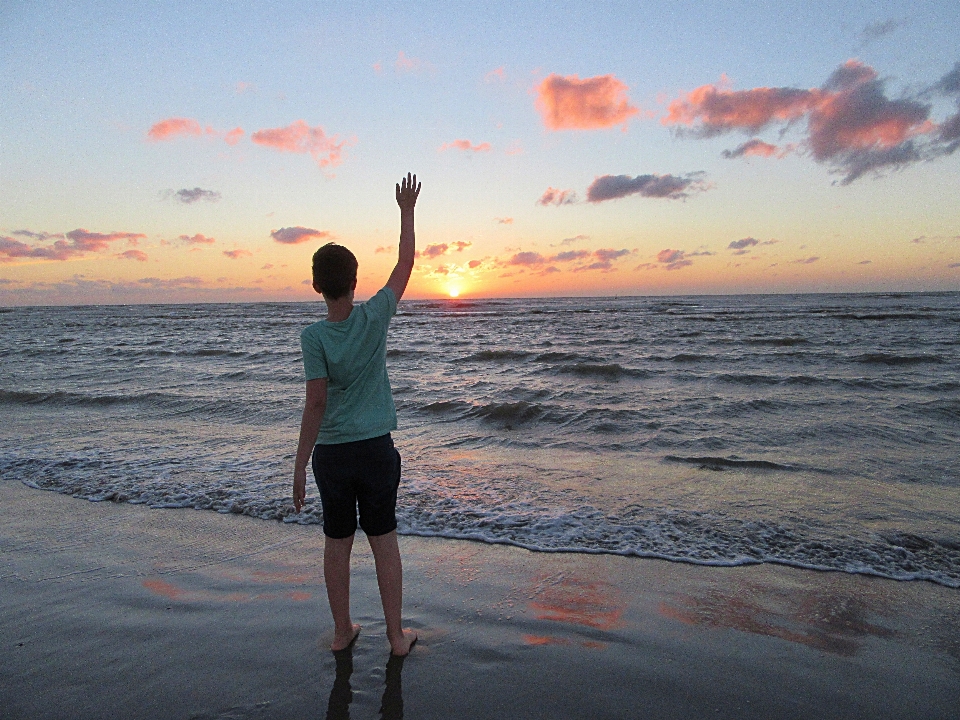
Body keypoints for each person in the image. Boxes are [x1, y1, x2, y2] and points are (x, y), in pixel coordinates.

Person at [293, 172, 421, 656]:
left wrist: (300, 464)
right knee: (384, 540)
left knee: (336, 542)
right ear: (354, 281)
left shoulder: (314, 338)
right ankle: (395, 637)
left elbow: (316, 403)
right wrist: (405, 211)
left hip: (332, 456)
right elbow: (405, 263)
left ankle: (342, 630)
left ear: (315, 286)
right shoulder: (373, 317)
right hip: (374, 451)